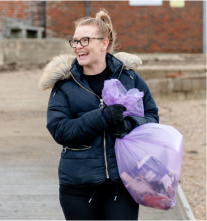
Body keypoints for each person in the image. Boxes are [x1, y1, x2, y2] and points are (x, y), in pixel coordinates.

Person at [38, 9, 159, 220]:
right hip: (78, 187)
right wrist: (102, 117)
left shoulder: (129, 78)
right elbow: (59, 129)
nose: (78, 47)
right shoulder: (65, 85)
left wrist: (129, 124)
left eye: (84, 40)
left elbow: (152, 118)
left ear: (104, 43)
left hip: (123, 184)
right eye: (74, 41)